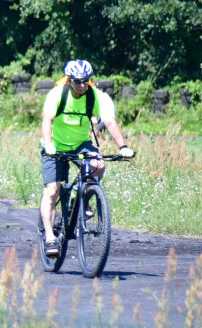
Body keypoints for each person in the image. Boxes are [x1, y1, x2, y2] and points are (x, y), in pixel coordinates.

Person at [40, 59, 135, 258]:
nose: (82, 85)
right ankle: (50, 237)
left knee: (98, 165)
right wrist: (48, 144)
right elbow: (47, 119)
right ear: (69, 80)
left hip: (81, 144)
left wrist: (123, 146)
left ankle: (81, 194)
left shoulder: (96, 97)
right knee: (53, 190)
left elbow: (109, 121)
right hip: (55, 145)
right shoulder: (57, 94)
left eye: (85, 81)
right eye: (77, 81)